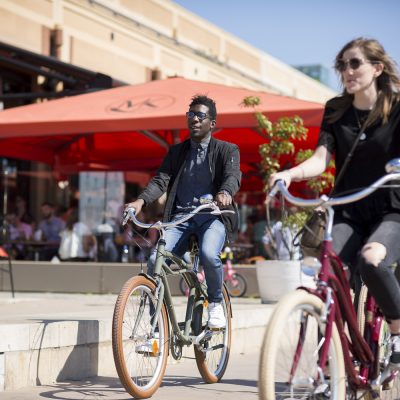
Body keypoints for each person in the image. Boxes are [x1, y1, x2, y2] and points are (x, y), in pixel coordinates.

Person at [269, 37, 400, 367]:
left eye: (355, 63)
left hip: (390, 208)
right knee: (327, 274)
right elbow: (321, 158)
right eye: (342, 65)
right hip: (348, 208)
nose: (347, 71)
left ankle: (398, 329)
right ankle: (330, 361)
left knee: (372, 260)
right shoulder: (336, 110)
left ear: (377, 68)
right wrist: (290, 174)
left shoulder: (397, 108)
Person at [126, 95, 241, 329]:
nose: (194, 120)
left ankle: (216, 304)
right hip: (181, 219)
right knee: (153, 262)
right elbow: (160, 181)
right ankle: (155, 330)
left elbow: (232, 176)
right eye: (190, 115)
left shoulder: (226, 149)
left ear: (212, 123)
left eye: (200, 116)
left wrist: (225, 192)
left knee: (209, 254)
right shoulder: (177, 152)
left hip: (212, 217)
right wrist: (140, 201)